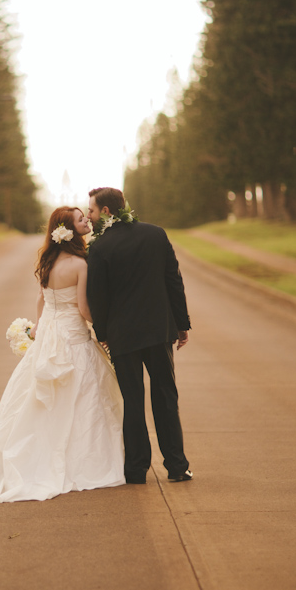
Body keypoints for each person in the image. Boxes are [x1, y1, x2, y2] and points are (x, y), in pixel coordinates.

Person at [0, 206, 125, 503]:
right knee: (84, 395)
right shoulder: (81, 264)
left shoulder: (47, 261)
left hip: (50, 334)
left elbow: (41, 301)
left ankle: (35, 458)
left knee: (42, 397)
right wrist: (107, 329)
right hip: (73, 335)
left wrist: (39, 328)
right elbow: (82, 309)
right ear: (68, 230)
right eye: (80, 219)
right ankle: (80, 460)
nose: (86, 221)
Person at [86, 187, 192, 485]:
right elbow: (173, 280)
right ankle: (176, 466)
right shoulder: (156, 234)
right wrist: (181, 324)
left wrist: (104, 333)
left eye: (91, 210)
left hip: (122, 337)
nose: (90, 215)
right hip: (159, 331)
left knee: (132, 401)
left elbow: (98, 297)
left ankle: (135, 470)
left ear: (106, 211)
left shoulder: (100, 247)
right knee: (166, 397)